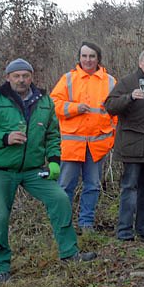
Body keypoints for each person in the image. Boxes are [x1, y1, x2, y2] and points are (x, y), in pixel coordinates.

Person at [0, 59, 96, 283]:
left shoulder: (44, 101)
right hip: (0, 170)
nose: (21, 80)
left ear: (32, 77)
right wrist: (4, 138)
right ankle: (0, 268)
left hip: (32, 170)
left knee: (59, 199)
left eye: (25, 76)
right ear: (8, 77)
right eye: (16, 76)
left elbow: (53, 134)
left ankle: (69, 253)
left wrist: (54, 160)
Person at [50, 41, 116, 233]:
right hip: (72, 145)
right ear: (79, 58)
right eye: (84, 56)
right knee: (65, 186)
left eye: (92, 56)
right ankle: (63, 224)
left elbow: (116, 114)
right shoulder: (68, 79)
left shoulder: (110, 81)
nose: (88, 60)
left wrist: (110, 138)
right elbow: (53, 104)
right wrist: (74, 108)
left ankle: (86, 223)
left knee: (93, 186)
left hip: (97, 146)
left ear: (98, 58)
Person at [105, 47, 144, 242]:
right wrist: (129, 97)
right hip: (131, 146)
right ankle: (124, 231)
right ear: (140, 63)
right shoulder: (127, 82)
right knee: (129, 188)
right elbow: (110, 106)